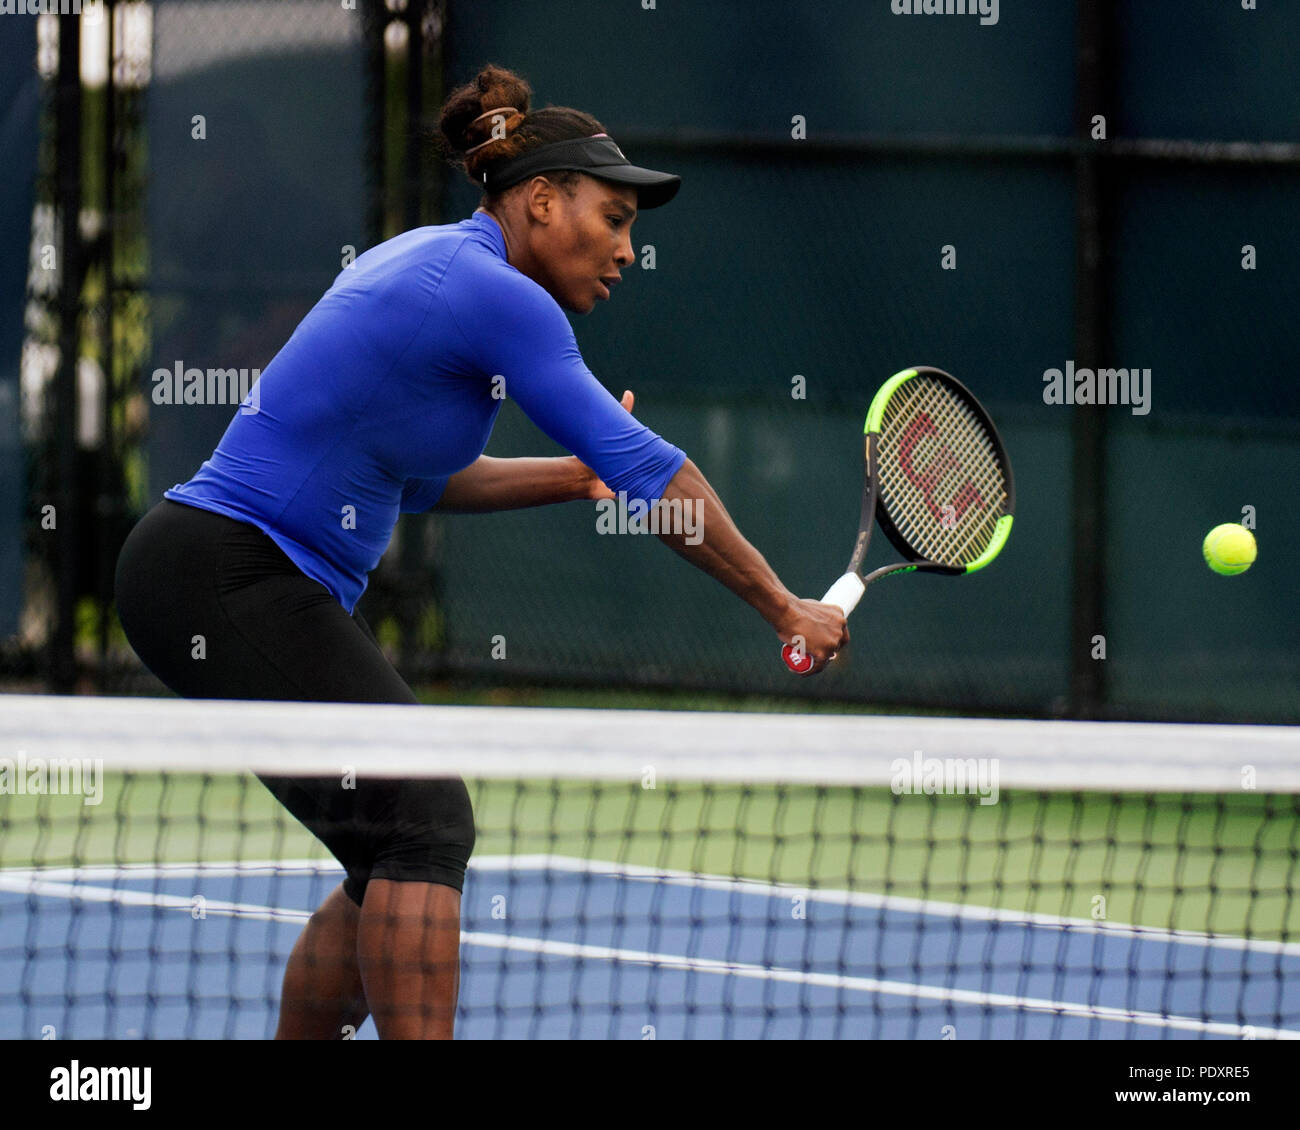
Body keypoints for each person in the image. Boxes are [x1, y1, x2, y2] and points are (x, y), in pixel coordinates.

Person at [114, 64, 847, 1041]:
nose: (627, 249)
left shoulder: (435, 266)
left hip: (203, 574)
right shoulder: (493, 296)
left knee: (388, 845)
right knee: (424, 823)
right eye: (613, 218)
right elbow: (654, 472)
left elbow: (421, 481)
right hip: (228, 571)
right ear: (540, 201)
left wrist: (571, 476)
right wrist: (783, 606)